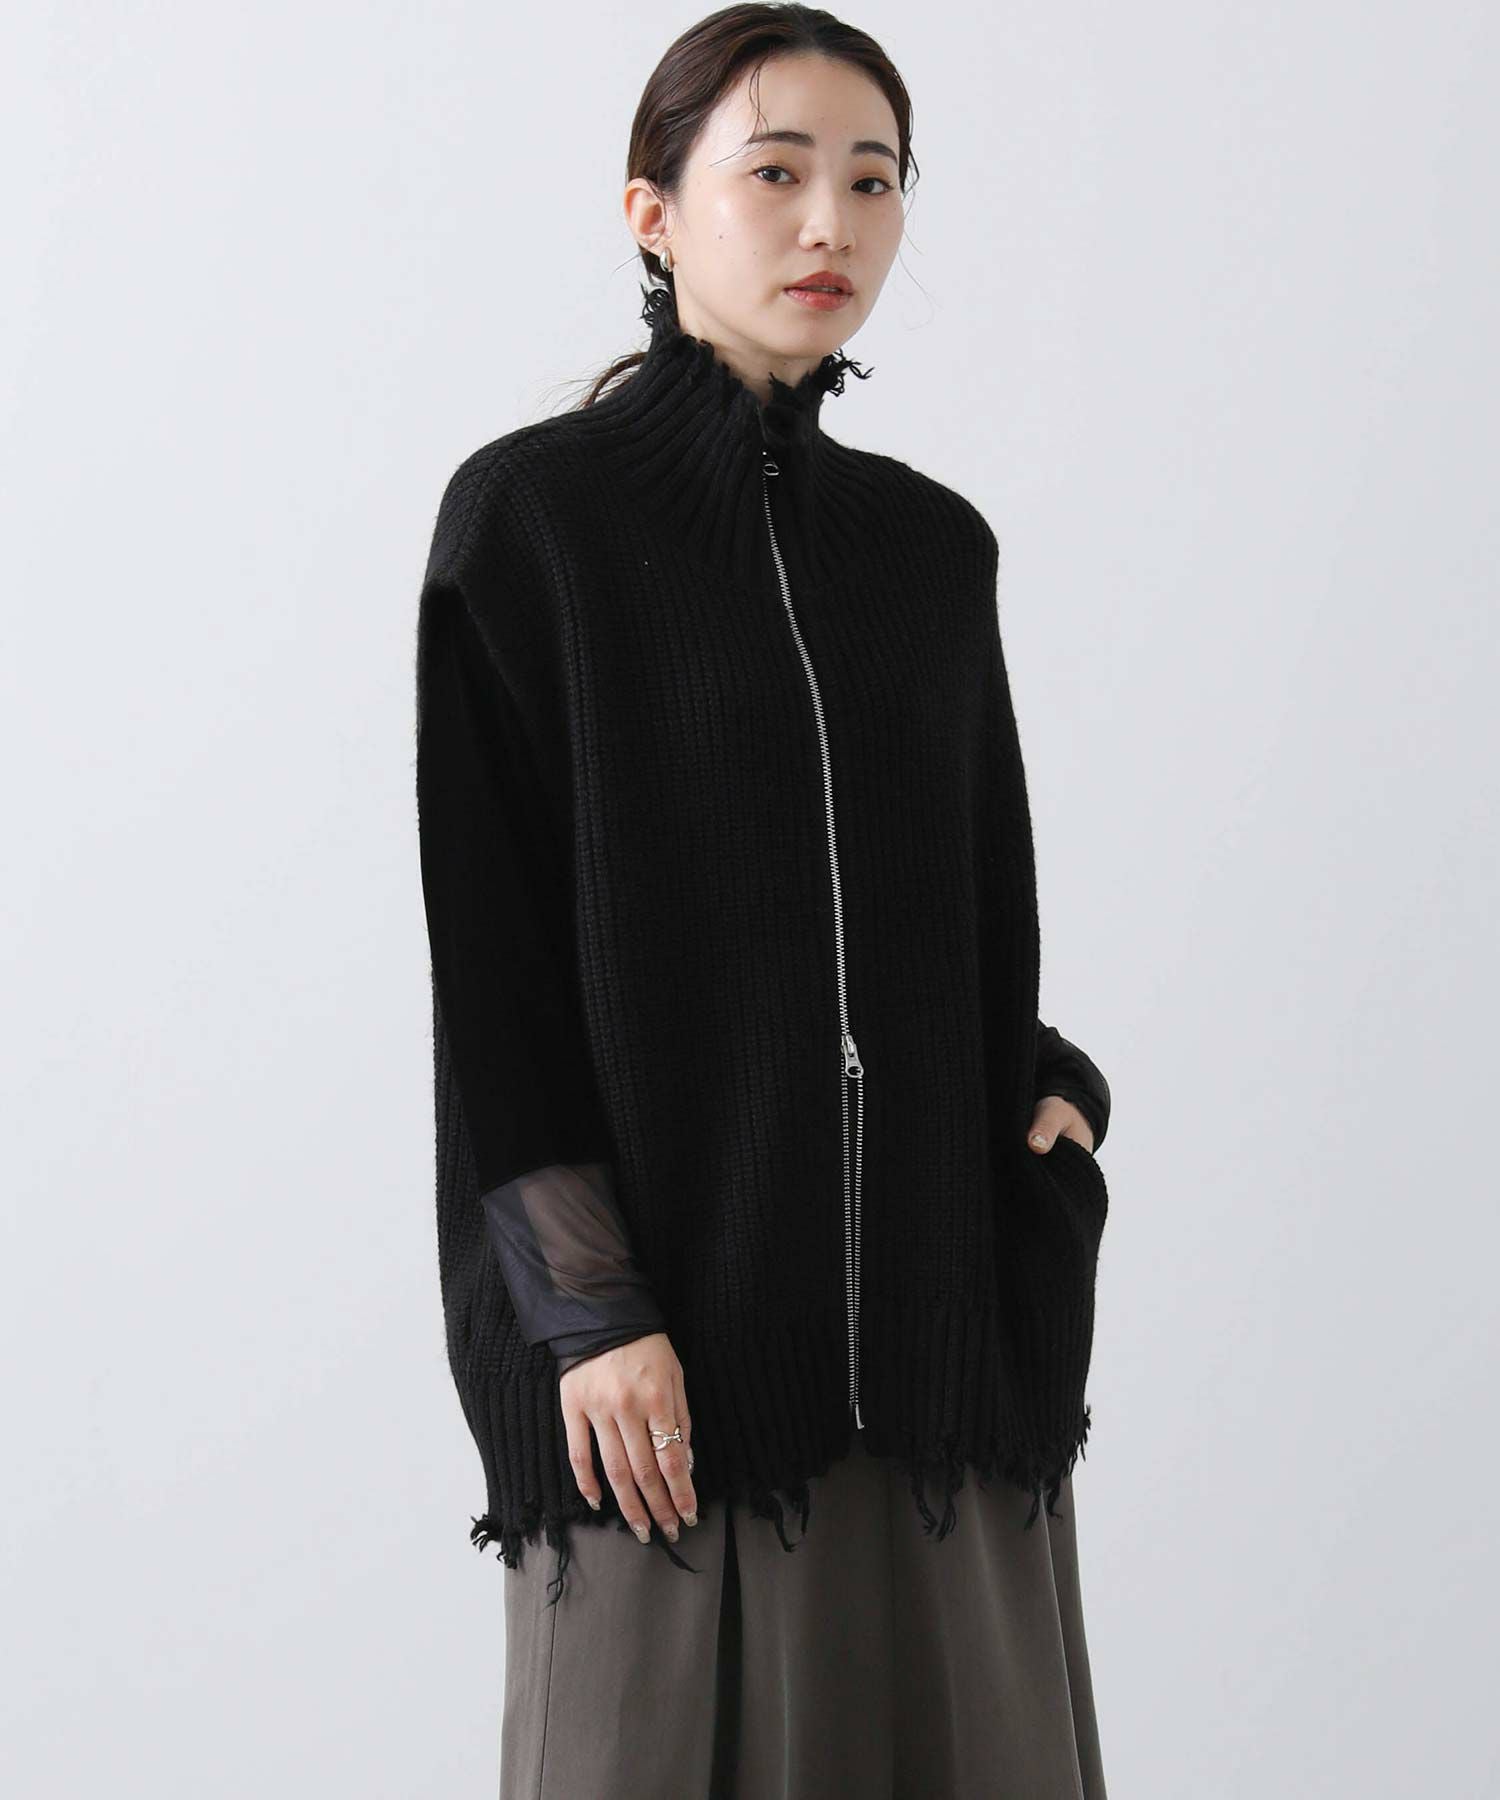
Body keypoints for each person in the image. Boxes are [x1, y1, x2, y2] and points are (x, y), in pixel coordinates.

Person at [414, 8, 1113, 1794]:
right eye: (777, 172)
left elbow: (973, 912)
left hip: (944, 1358)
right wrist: (589, 1310)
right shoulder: (534, 526)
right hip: (669, 1364)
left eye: (873, 182)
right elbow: (496, 972)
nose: (831, 225)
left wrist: (1048, 1086)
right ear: (651, 212)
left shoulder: (932, 552)